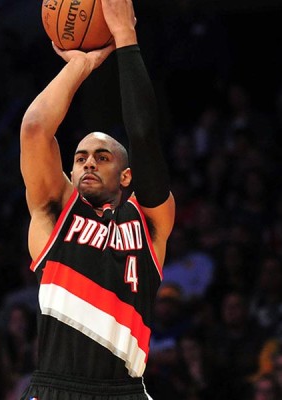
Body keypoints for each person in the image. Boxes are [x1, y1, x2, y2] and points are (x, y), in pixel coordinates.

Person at [18, 0, 175, 398]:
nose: (88, 162)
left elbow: (144, 136)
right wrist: (80, 65)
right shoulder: (55, 212)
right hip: (55, 389)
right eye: (80, 158)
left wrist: (125, 37)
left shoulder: (149, 221)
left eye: (102, 157)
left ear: (127, 175)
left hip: (124, 391)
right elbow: (35, 129)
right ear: (70, 173)